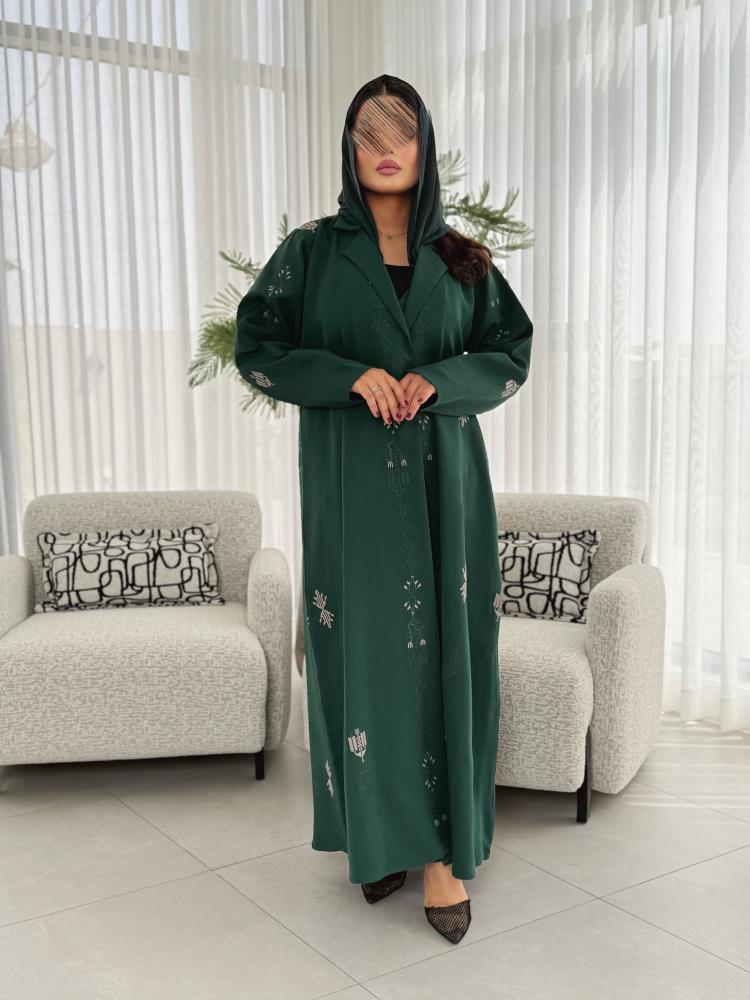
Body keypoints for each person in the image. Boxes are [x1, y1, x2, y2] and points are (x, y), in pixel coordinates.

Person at [234, 74, 534, 944]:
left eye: (401, 130)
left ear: (425, 145)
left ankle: (441, 856)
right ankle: (378, 836)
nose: (385, 147)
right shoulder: (311, 252)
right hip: (353, 486)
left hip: (446, 485)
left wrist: (437, 381)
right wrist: (348, 376)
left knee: (447, 656)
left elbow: (510, 352)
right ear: (348, 147)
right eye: (369, 132)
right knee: (365, 658)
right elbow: (258, 347)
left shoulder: (462, 258)